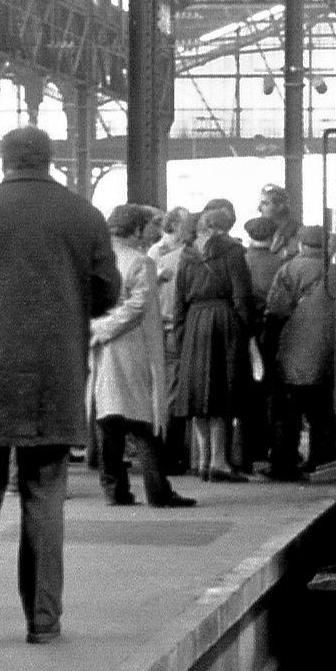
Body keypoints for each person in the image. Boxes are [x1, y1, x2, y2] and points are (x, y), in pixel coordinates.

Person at [0, 126, 119, 648]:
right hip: (55, 377)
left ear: (3, 159)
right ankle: (44, 621)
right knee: (45, 496)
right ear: (51, 160)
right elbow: (107, 292)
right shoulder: (85, 215)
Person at [86, 204, 196, 510]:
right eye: (147, 226)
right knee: (144, 421)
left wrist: (94, 329)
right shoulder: (140, 261)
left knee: (108, 420)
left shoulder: (92, 260)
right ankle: (158, 490)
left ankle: (114, 489)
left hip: (100, 349)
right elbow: (138, 305)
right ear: (135, 229)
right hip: (133, 347)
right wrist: (106, 328)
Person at [173, 205, 253, 482]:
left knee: (197, 395)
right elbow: (242, 295)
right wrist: (245, 330)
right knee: (220, 393)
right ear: (225, 228)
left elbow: (178, 301)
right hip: (224, 321)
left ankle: (203, 459)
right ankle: (219, 460)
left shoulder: (187, 255)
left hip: (195, 322)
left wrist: (182, 334)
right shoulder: (232, 253)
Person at [264, 226, 335, 479]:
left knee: (287, 412)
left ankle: (283, 464)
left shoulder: (289, 269)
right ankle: (323, 460)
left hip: (294, 348)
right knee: (323, 412)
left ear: (302, 244)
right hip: (329, 352)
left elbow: (276, 309)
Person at [245, 184, 300, 474]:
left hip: (270, 323)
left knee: (267, 388)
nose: (261, 207)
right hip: (274, 320)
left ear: (280, 205)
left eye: (266, 202)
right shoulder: (281, 251)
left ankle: (259, 448)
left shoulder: (290, 238)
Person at [150, 207, 196, 473]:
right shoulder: (158, 253)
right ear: (175, 224)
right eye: (187, 223)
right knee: (173, 390)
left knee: (175, 389)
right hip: (169, 326)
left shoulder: (178, 252)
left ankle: (174, 451)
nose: (190, 228)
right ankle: (169, 452)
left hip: (175, 324)